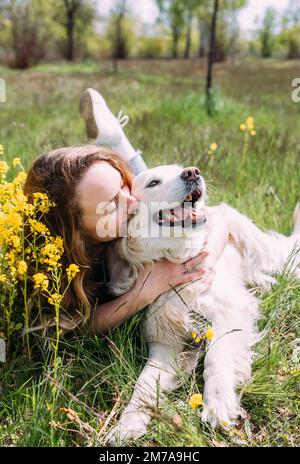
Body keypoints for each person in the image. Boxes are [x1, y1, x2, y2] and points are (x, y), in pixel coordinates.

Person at [23, 89, 229, 335]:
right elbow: (74, 326)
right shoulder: (54, 264)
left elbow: (218, 218)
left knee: (151, 186)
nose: (131, 202)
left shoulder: (127, 207)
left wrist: (211, 259)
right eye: (111, 206)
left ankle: (119, 145)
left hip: (143, 192)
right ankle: (118, 143)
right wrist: (142, 294)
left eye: (121, 185)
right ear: (76, 232)